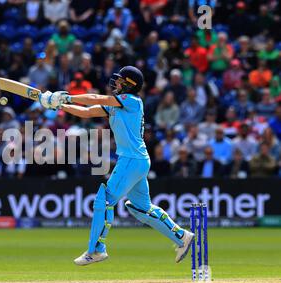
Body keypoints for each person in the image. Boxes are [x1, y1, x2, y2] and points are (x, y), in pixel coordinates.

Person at [39, 66, 194, 265]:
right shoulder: (117, 104)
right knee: (142, 209)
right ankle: (182, 236)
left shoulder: (132, 101)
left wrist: (66, 97)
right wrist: (57, 105)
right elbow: (87, 112)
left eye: (121, 80)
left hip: (131, 160)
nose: (116, 83)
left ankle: (96, 250)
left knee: (104, 201)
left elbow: (96, 99)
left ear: (130, 84)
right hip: (137, 160)